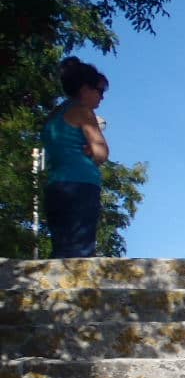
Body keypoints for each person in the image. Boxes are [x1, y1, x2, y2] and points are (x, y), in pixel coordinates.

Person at [40, 57, 110, 258]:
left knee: (62, 248)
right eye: (100, 91)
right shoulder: (83, 112)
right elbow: (102, 153)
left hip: (56, 186)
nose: (101, 97)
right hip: (81, 185)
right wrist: (93, 149)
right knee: (80, 252)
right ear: (85, 88)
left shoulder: (53, 115)